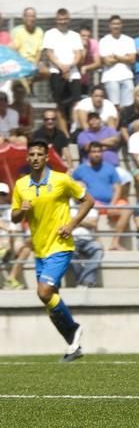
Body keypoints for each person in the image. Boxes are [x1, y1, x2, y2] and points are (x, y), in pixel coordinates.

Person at [11, 138, 94, 361]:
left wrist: (71, 224)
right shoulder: (21, 185)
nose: (35, 158)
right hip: (40, 250)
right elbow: (14, 216)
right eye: (32, 155)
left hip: (61, 246)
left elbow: (88, 201)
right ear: (27, 158)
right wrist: (22, 210)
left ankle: (74, 330)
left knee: (44, 291)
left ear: (46, 157)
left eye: (39, 154)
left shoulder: (61, 180)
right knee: (49, 298)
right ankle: (73, 345)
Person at [73, 141, 132, 251]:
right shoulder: (80, 170)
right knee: (90, 208)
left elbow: (117, 187)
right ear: (88, 154)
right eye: (94, 151)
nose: (96, 154)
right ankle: (97, 245)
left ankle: (115, 243)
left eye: (99, 152)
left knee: (127, 210)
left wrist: (112, 205)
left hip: (110, 203)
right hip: (91, 204)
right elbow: (74, 189)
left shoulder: (110, 168)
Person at [43, 8, 83, 135]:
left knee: (75, 103)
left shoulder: (75, 35)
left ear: (69, 20)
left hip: (73, 73)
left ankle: (74, 131)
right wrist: (61, 67)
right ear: (56, 20)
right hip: (56, 71)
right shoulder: (50, 34)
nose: (63, 22)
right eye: (60, 19)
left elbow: (78, 55)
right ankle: (65, 134)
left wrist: (69, 67)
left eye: (65, 19)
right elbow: (49, 53)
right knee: (60, 105)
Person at [99, 15, 136, 108]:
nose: (116, 26)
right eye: (114, 24)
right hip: (110, 77)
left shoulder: (129, 40)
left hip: (127, 76)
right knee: (114, 106)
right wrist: (124, 57)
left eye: (118, 24)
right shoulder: (104, 41)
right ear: (109, 26)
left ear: (122, 25)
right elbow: (107, 61)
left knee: (128, 106)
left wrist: (116, 56)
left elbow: (132, 59)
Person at [70, 185, 104, 288]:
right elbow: (66, 222)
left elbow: (93, 224)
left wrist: (76, 220)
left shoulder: (90, 204)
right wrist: (84, 221)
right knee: (69, 252)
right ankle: (87, 281)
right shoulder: (66, 204)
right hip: (71, 239)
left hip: (89, 240)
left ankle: (82, 280)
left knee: (99, 250)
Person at [10, 7, 44, 73]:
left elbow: (39, 51)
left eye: (33, 16)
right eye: (29, 16)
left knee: (45, 72)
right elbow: (14, 50)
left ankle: (31, 81)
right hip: (20, 62)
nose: (31, 19)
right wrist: (23, 64)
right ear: (24, 18)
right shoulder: (16, 31)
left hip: (34, 62)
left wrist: (35, 64)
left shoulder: (39, 31)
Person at [78, 24, 101, 95]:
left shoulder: (93, 44)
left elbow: (98, 63)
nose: (86, 38)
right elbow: (78, 64)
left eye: (88, 36)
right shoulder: (73, 43)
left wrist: (86, 67)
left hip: (84, 80)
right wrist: (84, 49)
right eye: (83, 36)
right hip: (72, 78)